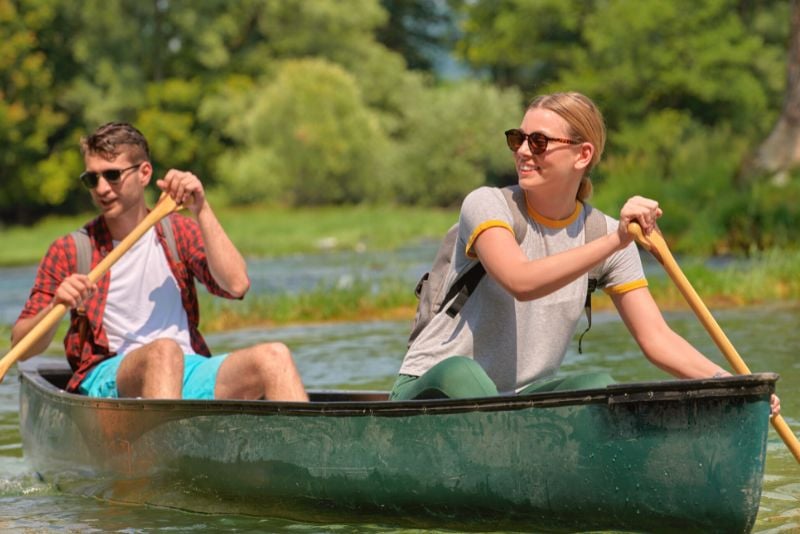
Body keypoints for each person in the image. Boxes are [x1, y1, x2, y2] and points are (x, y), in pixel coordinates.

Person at [391, 92, 780, 416]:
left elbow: (657, 339)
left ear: (582, 155)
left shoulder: (604, 233)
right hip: (431, 393)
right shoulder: (488, 205)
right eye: (517, 139)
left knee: (598, 386)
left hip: (515, 406)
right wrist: (616, 241)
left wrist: (734, 388)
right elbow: (520, 282)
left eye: (539, 141)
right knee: (461, 371)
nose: (524, 151)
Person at [11, 122, 308, 402]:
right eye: (92, 178)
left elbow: (237, 284)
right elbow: (22, 347)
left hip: (189, 367)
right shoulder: (71, 249)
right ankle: (167, 456)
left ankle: (310, 452)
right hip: (108, 376)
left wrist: (201, 207)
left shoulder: (178, 232)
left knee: (275, 357)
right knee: (164, 352)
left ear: (144, 173)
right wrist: (56, 305)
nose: (101, 188)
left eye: (112, 175)